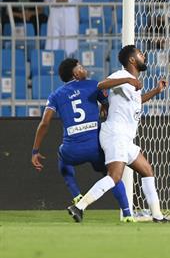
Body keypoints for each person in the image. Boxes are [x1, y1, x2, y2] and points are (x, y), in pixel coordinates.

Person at [68, 46, 169, 223]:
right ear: (132, 60)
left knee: (147, 170)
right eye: (140, 54)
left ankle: (157, 216)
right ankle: (79, 206)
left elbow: (137, 101)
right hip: (115, 133)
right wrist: (127, 81)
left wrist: (156, 91)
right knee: (114, 177)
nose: (143, 56)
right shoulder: (121, 76)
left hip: (125, 137)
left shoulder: (131, 82)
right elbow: (101, 85)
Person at [30, 58, 133, 221]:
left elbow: (44, 123)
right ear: (75, 73)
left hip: (73, 151)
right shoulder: (94, 85)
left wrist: (35, 150)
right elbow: (108, 104)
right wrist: (105, 106)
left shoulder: (55, 95)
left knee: (61, 156)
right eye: (81, 67)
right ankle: (128, 214)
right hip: (96, 148)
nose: (85, 69)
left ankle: (76, 195)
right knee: (112, 174)